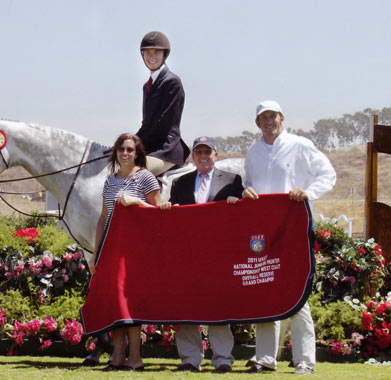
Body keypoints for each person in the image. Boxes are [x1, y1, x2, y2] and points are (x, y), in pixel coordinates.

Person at [243, 100, 336, 375]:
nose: (268, 122)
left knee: (298, 293)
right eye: (263, 118)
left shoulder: (300, 145)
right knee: (264, 289)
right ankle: (264, 358)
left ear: (282, 118)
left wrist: (308, 192)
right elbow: (250, 183)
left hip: (293, 227)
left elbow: (327, 174)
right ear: (257, 123)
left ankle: (305, 360)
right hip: (263, 231)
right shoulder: (253, 151)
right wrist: (247, 191)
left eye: (272, 117)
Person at [160, 136, 244, 372]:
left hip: (219, 255)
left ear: (216, 155)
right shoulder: (180, 183)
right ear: (193, 157)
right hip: (188, 255)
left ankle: (223, 359)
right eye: (199, 152)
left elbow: (241, 216)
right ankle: (190, 359)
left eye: (208, 152)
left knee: (219, 306)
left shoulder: (232, 180)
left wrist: (236, 202)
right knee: (187, 305)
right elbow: (174, 218)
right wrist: (168, 209)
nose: (203, 156)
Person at [88, 133, 161, 371]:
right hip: (110, 249)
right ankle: (117, 356)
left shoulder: (145, 178)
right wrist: (95, 251)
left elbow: (157, 213)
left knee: (129, 303)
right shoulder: (110, 181)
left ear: (137, 152)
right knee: (114, 302)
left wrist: (136, 203)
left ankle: (135, 358)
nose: (125, 153)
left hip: (135, 251)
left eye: (130, 149)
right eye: (121, 149)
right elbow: (103, 217)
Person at [136, 31, 190, 176]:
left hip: (167, 149)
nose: (151, 57)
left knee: (135, 173)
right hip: (152, 148)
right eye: (147, 52)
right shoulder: (147, 86)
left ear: (164, 55)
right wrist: (127, 143)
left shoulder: (172, 82)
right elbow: (147, 125)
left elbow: (163, 125)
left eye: (157, 52)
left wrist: (137, 145)